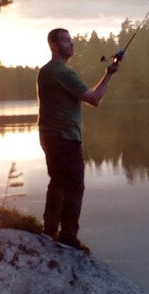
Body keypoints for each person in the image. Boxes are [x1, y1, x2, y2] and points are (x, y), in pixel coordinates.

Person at [36, 28, 120, 252]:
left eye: (70, 40)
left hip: (49, 136)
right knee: (74, 186)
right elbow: (94, 99)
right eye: (65, 40)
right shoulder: (62, 73)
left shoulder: (45, 71)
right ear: (54, 45)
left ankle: (49, 230)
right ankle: (68, 237)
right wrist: (109, 74)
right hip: (65, 138)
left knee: (57, 182)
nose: (71, 44)